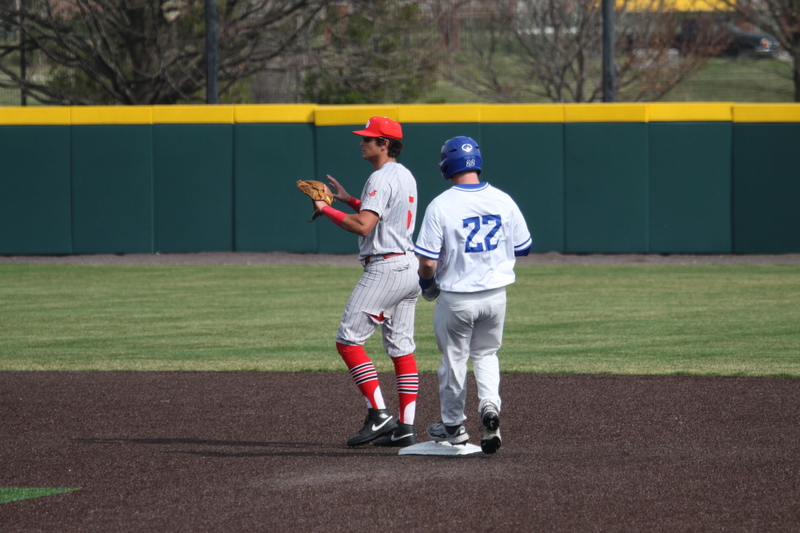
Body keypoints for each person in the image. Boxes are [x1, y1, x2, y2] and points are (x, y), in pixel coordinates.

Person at [414, 136, 532, 455]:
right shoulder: (503, 200)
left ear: (446, 164)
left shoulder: (441, 204)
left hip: (457, 297)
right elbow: (523, 247)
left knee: (454, 359)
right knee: (486, 355)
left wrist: (427, 285)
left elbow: (426, 261)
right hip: (496, 296)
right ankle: (489, 408)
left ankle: (453, 427)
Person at [312, 117, 420, 448]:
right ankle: (405, 427)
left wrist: (325, 208)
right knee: (402, 349)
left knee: (348, 341)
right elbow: (382, 218)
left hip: (386, 268)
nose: (362, 142)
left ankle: (379, 414)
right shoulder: (404, 175)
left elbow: (363, 227)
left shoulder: (379, 177)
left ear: (384, 143)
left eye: (368, 138)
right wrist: (346, 201)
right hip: (409, 267)